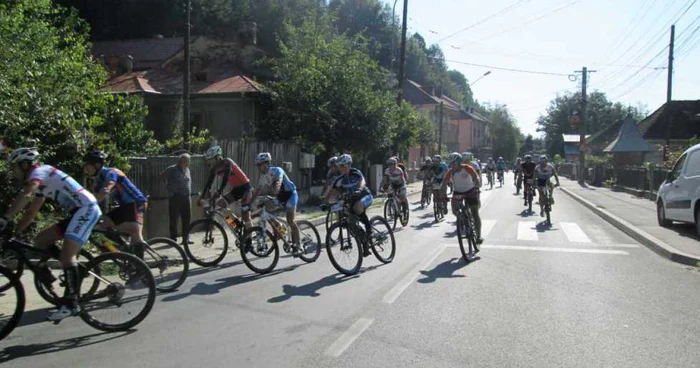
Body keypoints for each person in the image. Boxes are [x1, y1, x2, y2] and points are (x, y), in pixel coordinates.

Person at [0, 148, 102, 321]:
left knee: (67, 256)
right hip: (77, 213)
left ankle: (71, 304)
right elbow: (32, 211)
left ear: (25, 165)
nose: (13, 172)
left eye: (15, 167)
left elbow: (27, 194)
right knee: (40, 240)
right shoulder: (42, 180)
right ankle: (53, 274)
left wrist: (5, 218)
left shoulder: (40, 172)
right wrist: (16, 231)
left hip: (87, 209)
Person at [83, 150, 148, 259]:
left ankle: (141, 270)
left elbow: (106, 190)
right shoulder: (98, 180)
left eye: (87, 166)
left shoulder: (112, 172)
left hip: (137, 202)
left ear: (97, 164)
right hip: (126, 206)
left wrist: (89, 205)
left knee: (134, 232)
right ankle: (125, 248)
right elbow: (95, 197)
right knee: (105, 222)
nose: (85, 169)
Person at [325, 154, 374, 257]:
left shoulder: (355, 172)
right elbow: (332, 191)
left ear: (348, 165)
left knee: (357, 207)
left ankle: (369, 229)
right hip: (352, 200)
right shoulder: (340, 179)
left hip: (364, 196)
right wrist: (327, 202)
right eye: (339, 166)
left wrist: (360, 189)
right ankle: (364, 243)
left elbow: (362, 182)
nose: (341, 168)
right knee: (351, 224)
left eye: (343, 165)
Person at [253, 152, 301, 255]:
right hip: (280, 197)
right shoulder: (263, 176)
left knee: (290, 221)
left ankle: (298, 245)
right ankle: (280, 227)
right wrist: (251, 201)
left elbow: (279, 181)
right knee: (265, 210)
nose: (258, 167)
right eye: (258, 165)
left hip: (290, 195)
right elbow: (258, 190)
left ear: (266, 163)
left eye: (260, 164)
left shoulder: (277, 170)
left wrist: (276, 189)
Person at [199, 145, 254, 233]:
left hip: (246, 188)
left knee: (246, 216)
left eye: (211, 159)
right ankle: (236, 225)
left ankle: (249, 240)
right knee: (220, 205)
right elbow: (208, 183)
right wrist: (201, 197)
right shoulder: (215, 168)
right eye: (208, 160)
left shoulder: (227, 162)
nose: (209, 162)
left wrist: (220, 191)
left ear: (217, 157)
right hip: (236, 189)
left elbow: (226, 177)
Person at [442, 152, 483, 245]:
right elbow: (444, 184)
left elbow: (476, 177)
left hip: (470, 190)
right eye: (451, 163)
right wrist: (443, 195)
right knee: (455, 211)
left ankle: (478, 236)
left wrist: (477, 186)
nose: (452, 165)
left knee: (475, 213)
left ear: (459, 162)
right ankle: (464, 220)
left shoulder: (467, 168)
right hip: (458, 192)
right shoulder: (451, 171)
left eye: (454, 163)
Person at [161, 153, 192, 244]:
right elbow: (162, 176)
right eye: (187, 162)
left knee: (187, 218)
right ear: (181, 161)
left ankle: (186, 239)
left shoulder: (187, 169)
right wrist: (167, 187)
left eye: (188, 162)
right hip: (175, 197)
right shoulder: (171, 169)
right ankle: (173, 239)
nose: (188, 164)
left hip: (186, 197)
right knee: (174, 218)